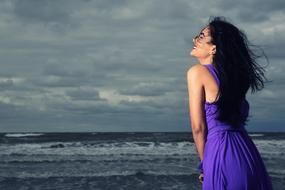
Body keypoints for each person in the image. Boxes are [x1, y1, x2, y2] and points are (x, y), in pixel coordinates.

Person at [186, 16, 273, 190]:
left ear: (214, 48)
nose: (195, 40)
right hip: (248, 154)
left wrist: (205, 166)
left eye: (202, 36)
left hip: (221, 153)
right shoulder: (233, 80)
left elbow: (198, 128)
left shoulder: (197, 72)